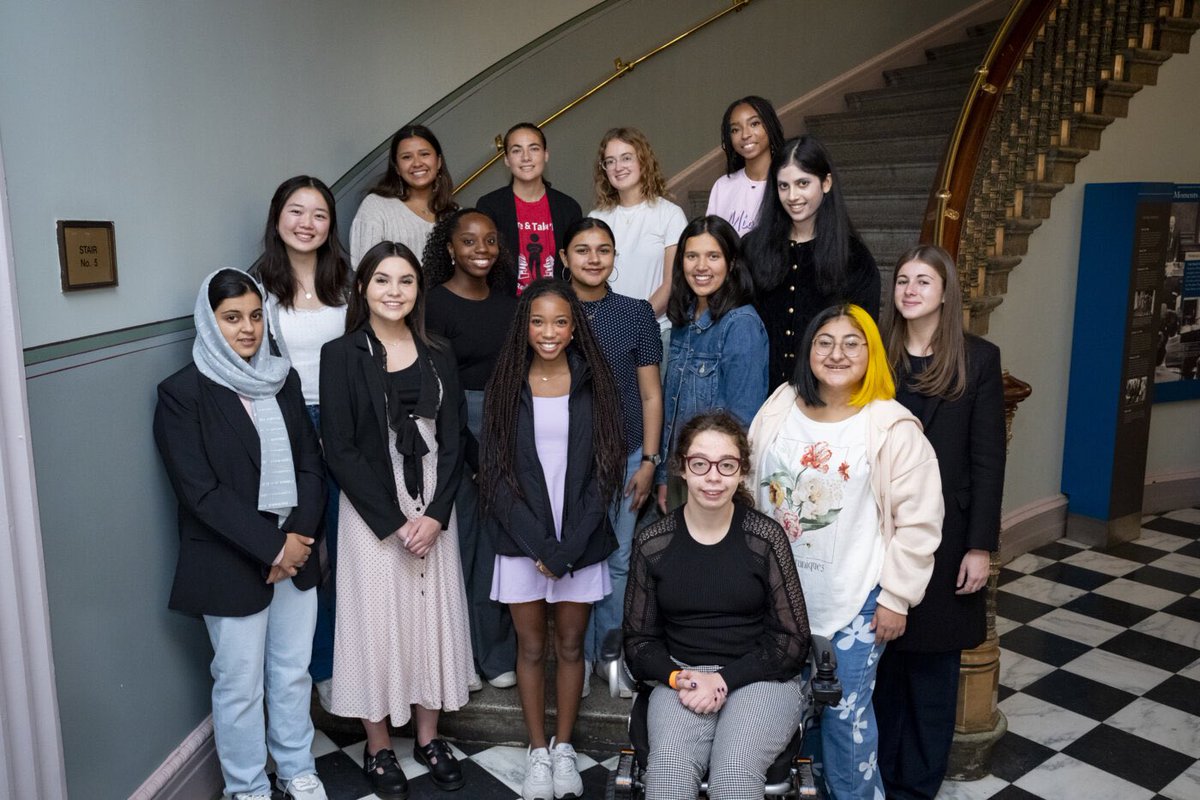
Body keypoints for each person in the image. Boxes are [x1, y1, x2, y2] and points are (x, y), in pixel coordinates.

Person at [747, 303, 943, 800]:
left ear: (871, 353)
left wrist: (897, 596)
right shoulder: (781, 404)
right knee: (782, 710)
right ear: (808, 351)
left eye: (851, 343)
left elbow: (919, 521)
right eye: (824, 342)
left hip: (855, 599)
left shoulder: (891, 426)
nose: (836, 353)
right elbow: (749, 483)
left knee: (845, 715)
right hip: (777, 598)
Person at [154, 269, 328, 800]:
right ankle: (247, 786)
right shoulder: (182, 393)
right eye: (232, 318)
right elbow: (199, 492)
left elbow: (311, 466)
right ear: (209, 323)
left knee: (293, 673)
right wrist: (273, 546)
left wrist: (295, 540)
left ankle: (297, 768)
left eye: (255, 316)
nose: (248, 329)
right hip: (229, 562)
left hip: (294, 557)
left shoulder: (283, 378)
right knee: (239, 687)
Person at [319, 241, 473, 796]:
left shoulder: (439, 350)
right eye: (382, 280)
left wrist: (435, 515)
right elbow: (339, 448)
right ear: (363, 287)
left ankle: (429, 737)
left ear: (418, 290)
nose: (394, 291)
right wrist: (393, 522)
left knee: (431, 618)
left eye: (405, 281)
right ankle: (380, 746)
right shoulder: (340, 355)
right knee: (375, 622)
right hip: (373, 509)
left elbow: (455, 438)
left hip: (433, 503)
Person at [477, 279, 625, 800]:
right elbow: (492, 474)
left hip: (578, 541)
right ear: (524, 324)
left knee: (568, 645)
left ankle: (564, 748)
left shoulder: (592, 380)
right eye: (538, 321)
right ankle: (537, 750)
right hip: (523, 539)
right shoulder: (507, 382)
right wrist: (541, 545)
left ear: (574, 326)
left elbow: (606, 468)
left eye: (560, 321)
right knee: (531, 646)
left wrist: (565, 550)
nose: (549, 332)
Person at [874, 245, 1006, 800]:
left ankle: (918, 788)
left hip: (948, 540)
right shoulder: (876, 354)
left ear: (946, 292)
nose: (909, 290)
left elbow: (987, 458)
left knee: (931, 678)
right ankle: (878, 780)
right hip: (882, 534)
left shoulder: (977, 359)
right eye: (903, 280)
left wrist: (980, 546)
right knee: (884, 676)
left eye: (923, 281)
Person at [624, 410, 811, 800]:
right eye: (700, 464)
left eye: (726, 465)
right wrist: (679, 678)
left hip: (760, 679)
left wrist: (724, 679)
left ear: (742, 470)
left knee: (734, 774)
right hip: (682, 679)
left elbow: (793, 640)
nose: (713, 476)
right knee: (668, 776)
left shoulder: (764, 538)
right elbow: (639, 642)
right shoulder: (653, 543)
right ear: (682, 469)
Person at [249, 174, 353, 709]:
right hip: (285, 425)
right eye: (296, 211)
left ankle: (342, 662)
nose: (307, 223)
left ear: (331, 224)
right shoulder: (257, 289)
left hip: (347, 424)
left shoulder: (348, 283)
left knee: (350, 546)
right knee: (302, 549)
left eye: (318, 214)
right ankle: (308, 666)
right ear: (277, 217)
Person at [557, 218, 663, 696]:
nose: (594, 258)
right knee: (571, 556)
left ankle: (608, 654)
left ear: (615, 258)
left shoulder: (636, 313)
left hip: (626, 454)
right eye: (582, 249)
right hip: (565, 456)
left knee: (618, 558)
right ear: (564, 258)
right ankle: (571, 659)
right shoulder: (550, 311)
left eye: (604, 249)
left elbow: (651, 396)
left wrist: (649, 461)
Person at [422, 208, 520, 691]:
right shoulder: (432, 305)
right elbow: (438, 388)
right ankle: (456, 660)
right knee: (456, 549)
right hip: (451, 435)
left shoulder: (509, 305)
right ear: (449, 248)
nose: (481, 250)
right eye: (469, 241)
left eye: (490, 241)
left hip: (504, 429)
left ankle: (495, 654)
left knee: (498, 549)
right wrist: (469, 451)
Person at [743, 135, 881, 390]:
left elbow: (861, 343)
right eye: (783, 186)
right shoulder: (752, 248)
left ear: (826, 183)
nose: (792, 196)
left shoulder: (854, 258)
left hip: (824, 400)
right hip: (757, 397)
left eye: (803, 183)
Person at [657, 215, 768, 513]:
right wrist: (666, 476)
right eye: (692, 256)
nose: (701, 266)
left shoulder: (740, 324)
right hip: (682, 470)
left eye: (713, 256)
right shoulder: (684, 318)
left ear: (731, 263)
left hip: (715, 479)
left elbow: (742, 420)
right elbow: (673, 410)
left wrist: (717, 478)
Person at [587, 127, 687, 337]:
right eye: (610, 161)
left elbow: (672, 283)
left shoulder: (670, 214)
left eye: (626, 158)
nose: (618, 167)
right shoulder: (596, 218)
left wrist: (635, 322)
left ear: (643, 161)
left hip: (657, 331)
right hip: (606, 333)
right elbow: (588, 281)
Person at [477, 122, 583, 291]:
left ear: (546, 155)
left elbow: (577, 263)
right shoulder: (490, 206)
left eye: (534, 148)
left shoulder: (568, 208)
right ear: (506, 159)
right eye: (516, 150)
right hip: (505, 308)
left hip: (556, 306)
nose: (526, 157)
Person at [350, 125, 456, 267]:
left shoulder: (455, 215)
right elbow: (364, 271)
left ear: (439, 162)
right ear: (397, 168)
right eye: (407, 157)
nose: (417, 163)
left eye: (424, 154)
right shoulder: (376, 206)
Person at [706, 95, 786, 236]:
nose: (745, 135)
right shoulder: (723, 186)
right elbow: (713, 242)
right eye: (735, 130)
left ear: (770, 126)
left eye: (754, 124)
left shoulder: (788, 184)